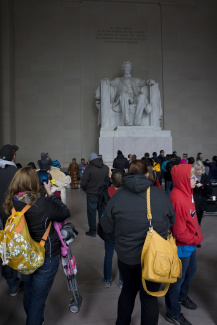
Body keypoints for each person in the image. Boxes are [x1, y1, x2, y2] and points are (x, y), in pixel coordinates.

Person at [101, 160, 175, 325]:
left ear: (127, 173)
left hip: (127, 257)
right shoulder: (159, 194)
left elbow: (106, 227)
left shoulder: (118, 196)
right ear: (147, 174)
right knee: (149, 299)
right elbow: (172, 220)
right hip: (155, 257)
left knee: (128, 291)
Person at [3, 166, 70, 325]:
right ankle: (35, 320)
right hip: (45, 254)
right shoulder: (42, 203)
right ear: (35, 182)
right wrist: (51, 194)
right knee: (38, 300)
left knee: (29, 291)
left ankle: (35, 319)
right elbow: (64, 212)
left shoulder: (10, 202)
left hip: (23, 255)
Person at [165, 164, 203, 325]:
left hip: (190, 244)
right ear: (184, 180)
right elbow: (179, 233)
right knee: (176, 281)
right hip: (182, 246)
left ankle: (182, 297)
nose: (196, 180)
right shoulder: (177, 198)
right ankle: (173, 312)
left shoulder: (188, 192)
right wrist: (196, 239)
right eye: (193, 177)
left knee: (191, 271)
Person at [96, 61, 162, 127]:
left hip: (133, 98)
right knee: (124, 95)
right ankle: (126, 121)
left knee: (142, 96)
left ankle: (137, 121)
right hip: (122, 98)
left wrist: (149, 81)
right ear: (123, 68)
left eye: (128, 67)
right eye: (125, 67)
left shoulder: (135, 80)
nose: (127, 69)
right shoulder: (118, 80)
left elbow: (143, 82)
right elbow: (110, 83)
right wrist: (106, 80)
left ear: (130, 68)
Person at [0, 144, 23, 296]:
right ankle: (14, 284)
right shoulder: (16, 173)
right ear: (13, 156)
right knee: (12, 251)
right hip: (11, 218)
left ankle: (10, 279)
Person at [98, 169, 123, 289]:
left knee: (108, 255)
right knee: (122, 256)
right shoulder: (126, 194)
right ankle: (122, 281)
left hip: (108, 230)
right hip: (122, 231)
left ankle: (107, 279)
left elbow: (100, 210)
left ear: (111, 180)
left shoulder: (104, 193)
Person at [81, 153, 109, 237]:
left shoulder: (89, 169)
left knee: (91, 214)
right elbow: (108, 181)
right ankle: (102, 230)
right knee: (102, 212)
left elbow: (83, 183)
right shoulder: (106, 168)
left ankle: (92, 231)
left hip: (91, 195)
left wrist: (87, 190)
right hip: (102, 195)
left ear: (90, 160)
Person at [193, 160, 212, 226]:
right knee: (193, 220)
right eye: (197, 169)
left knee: (199, 220)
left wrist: (203, 185)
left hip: (202, 202)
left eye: (200, 169)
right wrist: (196, 186)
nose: (199, 171)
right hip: (194, 202)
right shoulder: (192, 177)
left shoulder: (205, 176)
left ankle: (198, 234)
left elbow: (210, 190)